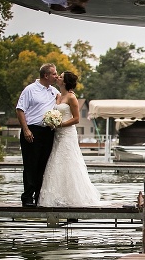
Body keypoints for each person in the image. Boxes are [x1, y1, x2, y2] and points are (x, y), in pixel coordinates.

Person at [38, 71, 102, 207]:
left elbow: (76, 119)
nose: (58, 78)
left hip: (67, 133)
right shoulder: (59, 96)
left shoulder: (72, 97)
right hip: (57, 135)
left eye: (60, 77)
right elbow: (56, 110)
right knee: (56, 162)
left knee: (68, 162)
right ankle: (57, 197)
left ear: (65, 82)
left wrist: (59, 124)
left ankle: (73, 197)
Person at [16, 63, 59, 207]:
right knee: (31, 165)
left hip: (48, 132)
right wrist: (26, 129)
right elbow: (20, 109)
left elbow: (66, 98)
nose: (56, 76)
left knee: (43, 165)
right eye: (54, 74)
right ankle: (27, 197)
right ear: (46, 75)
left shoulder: (53, 91)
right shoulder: (30, 90)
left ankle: (39, 196)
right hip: (32, 131)